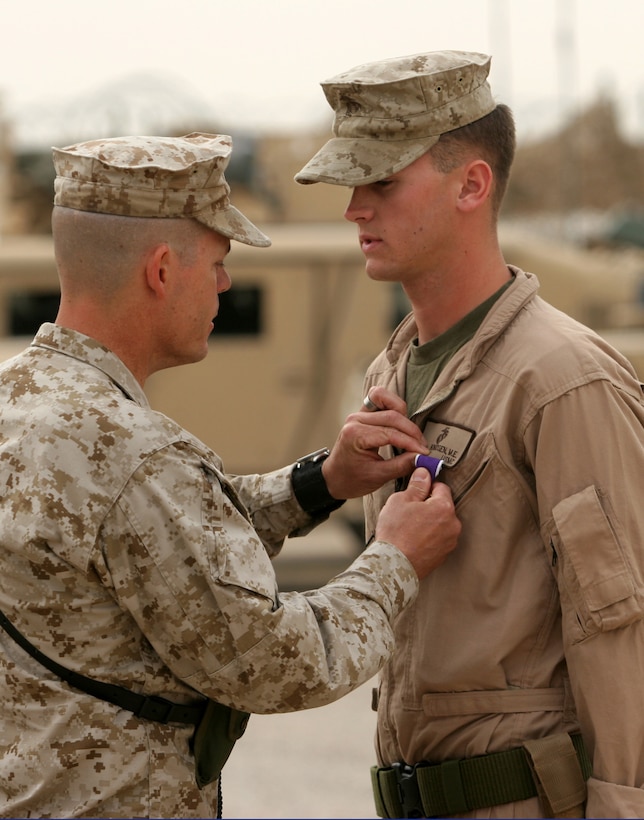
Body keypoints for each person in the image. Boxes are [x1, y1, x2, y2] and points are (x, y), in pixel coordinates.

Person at [0, 132, 462, 818]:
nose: (225, 283)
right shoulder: (137, 456)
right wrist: (396, 560)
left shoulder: (20, 399)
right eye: (216, 262)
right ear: (161, 270)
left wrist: (322, 483)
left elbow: (155, 543)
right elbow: (278, 663)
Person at [296, 51, 644, 818]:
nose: (356, 208)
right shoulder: (394, 371)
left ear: (472, 184)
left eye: (382, 182)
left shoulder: (560, 380)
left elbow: (617, 624)